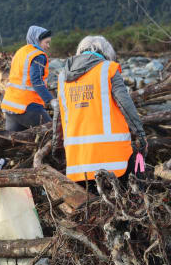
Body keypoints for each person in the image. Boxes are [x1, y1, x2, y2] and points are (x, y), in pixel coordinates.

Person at [53, 35, 148, 185]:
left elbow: (58, 117)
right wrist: (141, 135)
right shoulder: (107, 69)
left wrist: (56, 147)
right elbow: (126, 105)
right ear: (107, 53)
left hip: (78, 166)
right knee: (137, 171)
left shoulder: (63, 77)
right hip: (115, 162)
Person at [1, 25, 57, 133]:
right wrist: (51, 100)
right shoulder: (38, 55)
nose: (48, 46)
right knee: (54, 133)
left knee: (13, 144)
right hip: (28, 107)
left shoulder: (20, 52)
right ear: (37, 40)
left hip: (10, 106)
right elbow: (36, 81)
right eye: (46, 42)